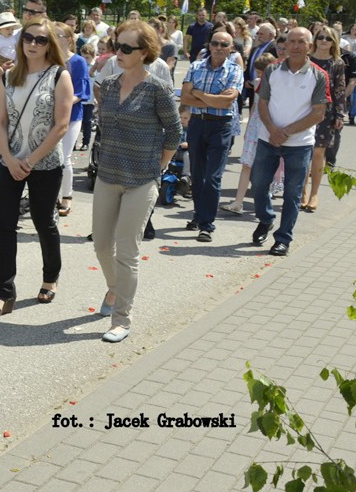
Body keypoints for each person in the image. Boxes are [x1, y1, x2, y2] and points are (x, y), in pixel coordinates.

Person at [92, 19, 181, 343]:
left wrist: (158, 167)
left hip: (141, 180)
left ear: (145, 53)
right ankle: (114, 289)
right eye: (117, 45)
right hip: (107, 175)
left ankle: (121, 319)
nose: (119, 52)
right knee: (102, 245)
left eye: (126, 48)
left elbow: (174, 132)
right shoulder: (111, 84)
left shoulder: (156, 89)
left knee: (126, 251)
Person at [0, 17, 72, 318]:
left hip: (45, 164)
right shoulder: (10, 76)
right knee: (5, 224)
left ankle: (51, 276)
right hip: (9, 162)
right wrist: (9, 158)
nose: (33, 44)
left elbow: (62, 126)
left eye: (41, 39)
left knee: (43, 221)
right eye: (28, 38)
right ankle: (4, 291)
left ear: (50, 45)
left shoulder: (59, 75)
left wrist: (31, 161)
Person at [251, 27, 328, 256]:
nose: (294, 46)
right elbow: (262, 103)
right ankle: (266, 219)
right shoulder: (272, 70)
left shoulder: (319, 75)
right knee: (258, 184)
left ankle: (283, 239)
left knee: (293, 193)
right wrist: (273, 130)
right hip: (267, 139)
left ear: (309, 46)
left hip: (300, 144)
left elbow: (318, 113)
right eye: (291, 41)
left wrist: (285, 132)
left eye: (300, 42)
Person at [180, 29, 243, 241]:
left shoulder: (234, 70)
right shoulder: (196, 66)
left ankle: (207, 225)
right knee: (197, 175)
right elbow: (186, 99)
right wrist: (210, 98)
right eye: (215, 43)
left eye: (223, 45)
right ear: (209, 45)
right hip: (198, 124)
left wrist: (198, 93)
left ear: (230, 49)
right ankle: (199, 214)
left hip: (221, 126)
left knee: (213, 178)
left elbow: (226, 102)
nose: (218, 48)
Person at [221, 52, 278, 215]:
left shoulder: (279, 84)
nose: (260, 75)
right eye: (258, 72)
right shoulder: (259, 82)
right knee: (247, 164)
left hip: (270, 125)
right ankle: (238, 201)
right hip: (256, 125)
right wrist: (248, 128)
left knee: (267, 166)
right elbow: (255, 105)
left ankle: (265, 201)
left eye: (263, 72)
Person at [300, 25, 346, 212]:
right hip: (304, 111)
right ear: (315, 40)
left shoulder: (337, 63)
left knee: (319, 153)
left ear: (333, 42)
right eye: (320, 37)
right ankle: (302, 192)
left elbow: (340, 90)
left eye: (328, 38)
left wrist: (339, 114)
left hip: (326, 114)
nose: (324, 41)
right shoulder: (306, 60)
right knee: (303, 152)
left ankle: (314, 194)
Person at [54, 21, 89, 217]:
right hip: (49, 114)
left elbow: (81, 92)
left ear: (68, 40)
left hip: (72, 115)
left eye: (57, 35)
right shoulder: (49, 58)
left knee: (64, 157)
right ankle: (51, 195)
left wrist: (64, 103)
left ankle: (66, 195)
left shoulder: (77, 61)